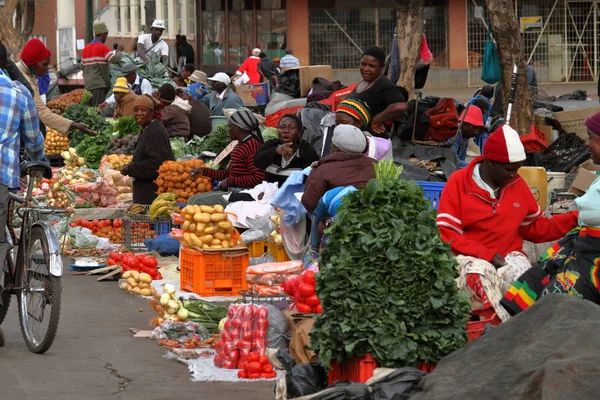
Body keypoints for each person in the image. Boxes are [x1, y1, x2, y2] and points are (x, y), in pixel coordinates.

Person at [435, 124, 579, 322]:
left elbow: (535, 228)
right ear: (490, 162)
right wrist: (485, 255)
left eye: (518, 169)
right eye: (509, 169)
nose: (514, 174)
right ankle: (497, 326)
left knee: (525, 278)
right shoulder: (459, 182)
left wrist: (575, 218)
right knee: (479, 272)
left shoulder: (517, 185)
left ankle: (524, 326)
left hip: (507, 255)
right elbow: (447, 235)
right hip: (468, 258)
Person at [501, 112, 600, 314]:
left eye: (591, 137)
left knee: (554, 306)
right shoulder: (462, 183)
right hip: (581, 248)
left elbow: (536, 228)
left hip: (592, 259)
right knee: (533, 281)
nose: (587, 144)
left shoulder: (517, 190)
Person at [17, 39, 95, 136]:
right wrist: (73, 125)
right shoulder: (22, 78)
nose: (46, 68)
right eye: (44, 64)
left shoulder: (29, 73)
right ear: (33, 63)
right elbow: (40, 111)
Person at [301, 125, 376, 213]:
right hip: (371, 218)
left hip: (336, 221)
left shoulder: (324, 169)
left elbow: (309, 204)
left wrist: (314, 169)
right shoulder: (376, 165)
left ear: (336, 147)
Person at [190, 109, 265, 190]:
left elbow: (258, 178)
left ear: (239, 128)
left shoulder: (252, 145)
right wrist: (204, 171)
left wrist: (229, 182)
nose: (228, 130)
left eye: (230, 126)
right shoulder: (240, 144)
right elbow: (230, 174)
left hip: (245, 194)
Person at [120, 94, 174, 204]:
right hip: (148, 190)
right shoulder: (148, 127)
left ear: (152, 112)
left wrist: (131, 168)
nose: (139, 113)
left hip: (152, 193)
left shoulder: (154, 132)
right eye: (135, 110)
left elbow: (157, 164)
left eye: (143, 110)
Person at [346, 46, 407, 137]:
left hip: (371, 138)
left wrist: (376, 120)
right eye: (363, 64)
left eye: (372, 66)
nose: (366, 69)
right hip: (354, 134)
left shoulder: (383, 84)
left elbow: (400, 106)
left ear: (382, 67)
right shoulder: (366, 82)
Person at [254, 114, 319, 186]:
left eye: (291, 128)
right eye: (282, 127)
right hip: (269, 192)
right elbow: (257, 163)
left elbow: (311, 179)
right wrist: (275, 151)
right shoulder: (271, 144)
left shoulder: (307, 150)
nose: (286, 131)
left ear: (299, 133)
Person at [82, 22, 113, 107]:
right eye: (106, 34)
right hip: (99, 86)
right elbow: (114, 60)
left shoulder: (85, 49)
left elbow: (83, 68)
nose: (106, 37)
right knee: (98, 112)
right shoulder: (103, 48)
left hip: (88, 86)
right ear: (102, 34)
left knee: (89, 113)